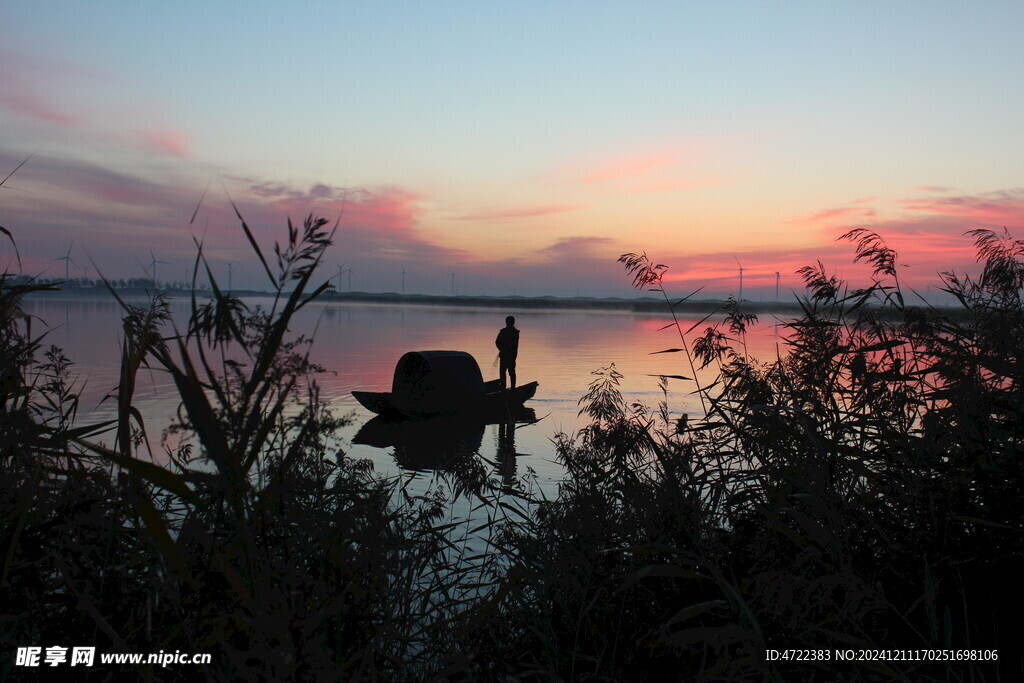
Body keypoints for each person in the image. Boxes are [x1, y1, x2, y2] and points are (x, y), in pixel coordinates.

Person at [495, 315, 519, 390]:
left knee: (511, 372)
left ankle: (512, 388)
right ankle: (503, 388)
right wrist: (502, 349)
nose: (507, 323)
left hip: (510, 356)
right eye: (507, 322)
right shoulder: (505, 332)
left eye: (509, 322)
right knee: (503, 372)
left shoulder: (515, 333)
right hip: (505, 356)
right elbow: (497, 342)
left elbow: (514, 345)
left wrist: (503, 350)